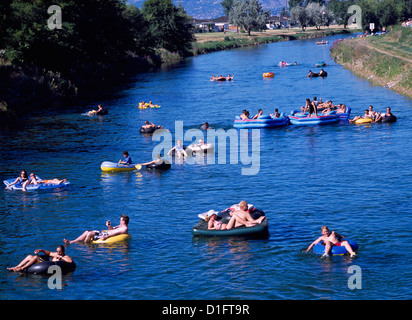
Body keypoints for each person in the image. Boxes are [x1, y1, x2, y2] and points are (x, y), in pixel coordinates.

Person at [64, 215, 129, 244]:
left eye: (120, 220)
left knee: (90, 234)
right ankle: (72, 241)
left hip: (105, 235)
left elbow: (116, 233)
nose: (119, 221)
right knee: (86, 231)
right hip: (104, 233)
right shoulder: (120, 226)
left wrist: (106, 236)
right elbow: (111, 229)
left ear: (123, 222)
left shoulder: (124, 229)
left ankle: (85, 244)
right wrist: (109, 225)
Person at [7, 245, 73, 272]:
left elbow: (70, 261)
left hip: (46, 265)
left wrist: (61, 257)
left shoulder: (65, 256)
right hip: (45, 263)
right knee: (29, 256)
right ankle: (16, 267)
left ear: (63, 251)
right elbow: (49, 253)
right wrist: (41, 250)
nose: (58, 253)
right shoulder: (56, 254)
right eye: (57, 251)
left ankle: (22, 268)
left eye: (59, 251)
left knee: (35, 257)